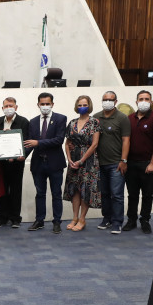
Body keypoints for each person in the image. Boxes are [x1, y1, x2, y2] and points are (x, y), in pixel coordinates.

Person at [24, 92, 68, 233]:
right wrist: (20, 156)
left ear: (52, 104)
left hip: (55, 163)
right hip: (38, 163)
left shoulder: (61, 119)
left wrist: (38, 142)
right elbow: (30, 144)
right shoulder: (33, 121)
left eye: (47, 103)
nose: (45, 106)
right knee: (40, 193)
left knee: (56, 193)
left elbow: (59, 140)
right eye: (42, 104)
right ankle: (39, 220)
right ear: (38, 105)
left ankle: (57, 222)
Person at [123, 90, 153, 234]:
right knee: (132, 194)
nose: (144, 101)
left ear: (151, 102)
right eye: (141, 99)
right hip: (131, 163)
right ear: (136, 102)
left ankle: (145, 220)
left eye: (147, 99)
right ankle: (131, 219)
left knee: (147, 194)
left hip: (148, 163)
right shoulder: (129, 118)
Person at [92, 91, 131, 234]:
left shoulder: (122, 118)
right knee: (104, 194)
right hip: (99, 163)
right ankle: (107, 218)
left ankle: (117, 222)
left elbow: (126, 140)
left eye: (110, 99)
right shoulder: (96, 118)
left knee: (117, 194)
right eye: (104, 99)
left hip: (116, 163)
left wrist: (124, 160)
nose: (107, 102)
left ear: (115, 101)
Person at [63, 96, 100, 232]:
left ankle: (82, 219)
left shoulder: (94, 122)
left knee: (86, 189)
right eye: (79, 105)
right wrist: (69, 159)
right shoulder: (72, 122)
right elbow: (67, 143)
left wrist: (82, 160)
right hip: (73, 160)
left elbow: (95, 144)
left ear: (89, 105)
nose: (82, 107)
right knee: (75, 190)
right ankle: (74, 218)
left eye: (84, 104)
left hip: (88, 160)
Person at [0, 97, 29, 228]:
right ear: (2, 108)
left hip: (17, 163)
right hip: (1, 163)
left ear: (16, 107)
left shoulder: (23, 121)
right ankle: (2, 217)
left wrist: (22, 155)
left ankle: (15, 218)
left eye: (11, 106)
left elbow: (27, 142)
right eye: (6, 106)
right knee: (2, 190)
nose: (9, 108)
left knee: (15, 190)